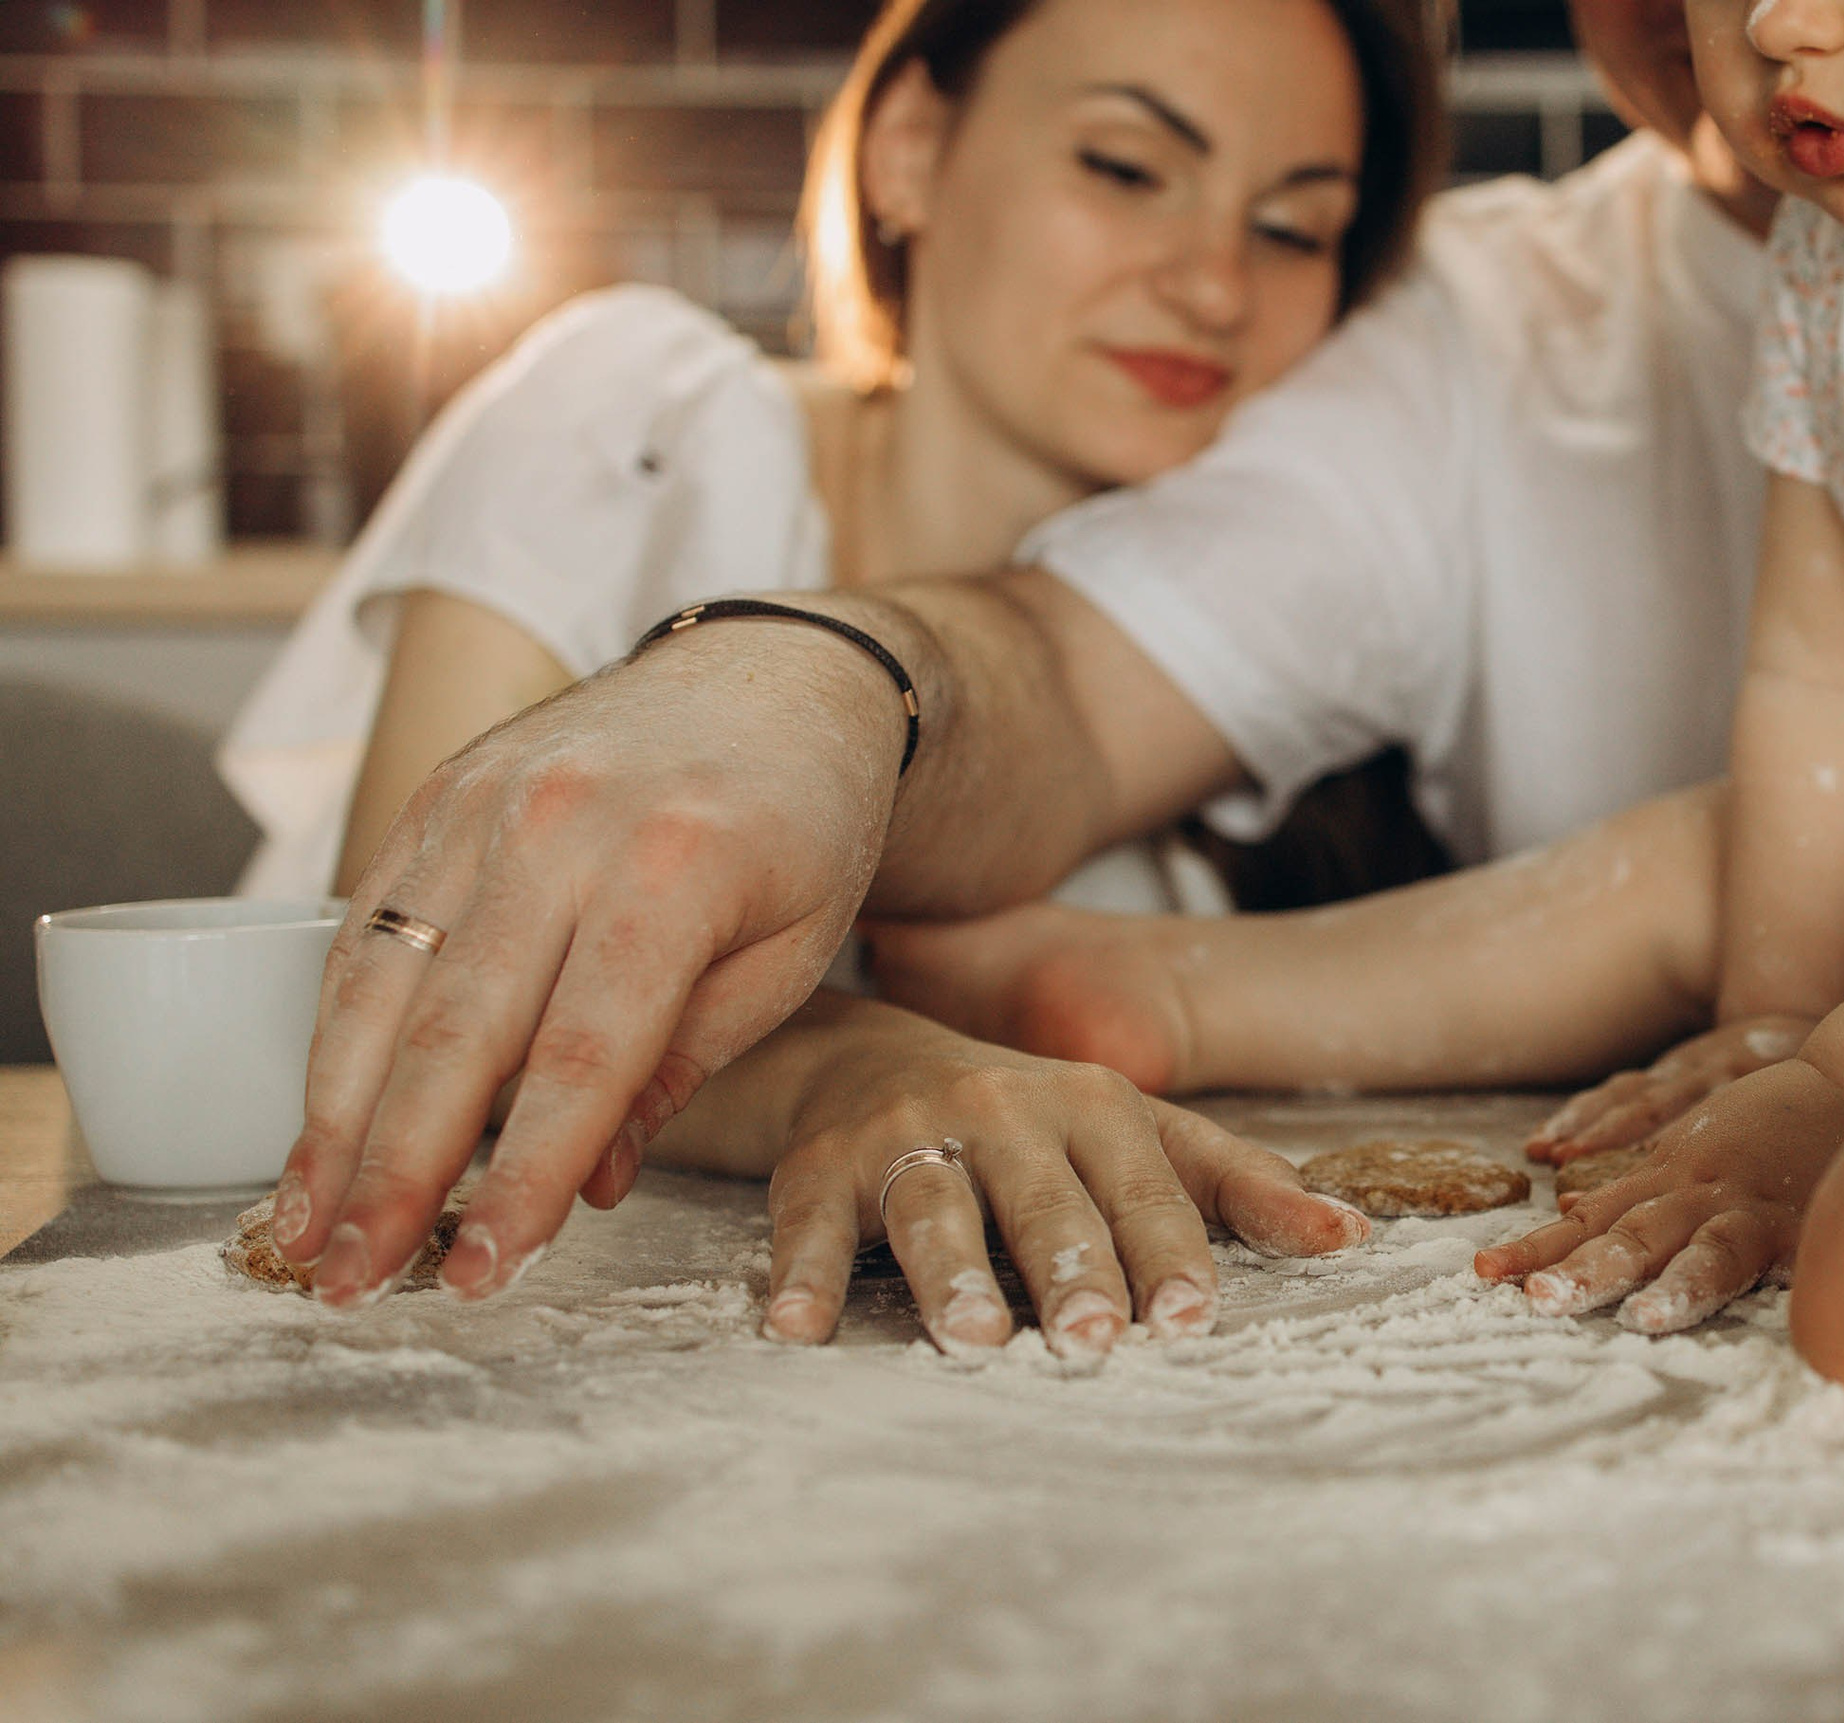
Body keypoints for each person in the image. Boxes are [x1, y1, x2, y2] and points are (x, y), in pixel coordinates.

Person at [261, 0, 1844, 1360]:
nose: (1764, 28)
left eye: (1278, 212)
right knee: (1725, 856)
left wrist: (1840, 1084)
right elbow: (1824, 710)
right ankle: (1160, 991)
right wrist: (1780, 1038)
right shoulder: (1788, 258)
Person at [236, 0, 1448, 1345]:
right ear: (909, 149)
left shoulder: (1267, 662)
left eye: (1292, 228)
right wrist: (865, 1065)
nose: (1214, 283)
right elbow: (433, 952)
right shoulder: (643, 416)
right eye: (1125, 169)